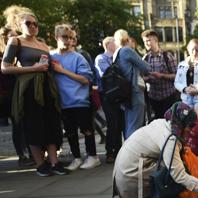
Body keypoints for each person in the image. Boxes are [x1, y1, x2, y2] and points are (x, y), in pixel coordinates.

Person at [113, 102, 198, 198]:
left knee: (179, 162)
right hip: (130, 178)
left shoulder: (164, 123)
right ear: (180, 125)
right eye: (190, 127)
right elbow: (179, 175)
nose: (192, 131)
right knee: (178, 170)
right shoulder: (170, 139)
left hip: (125, 172)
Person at [1, 7, 67, 176]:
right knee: (33, 125)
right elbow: (5, 68)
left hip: (47, 87)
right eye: (28, 23)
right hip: (29, 89)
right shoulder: (16, 41)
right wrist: (33, 68)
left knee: (51, 123)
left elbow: (48, 67)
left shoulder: (43, 45)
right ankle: (40, 165)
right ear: (18, 25)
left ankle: (55, 162)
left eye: (35, 23)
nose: (32, 26)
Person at [51, 24, 100, 171]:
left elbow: (86, 79)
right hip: (62, 102)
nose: (68, 41)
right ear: (56, 37)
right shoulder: (51, 56)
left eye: (71, 38)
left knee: (87, 130)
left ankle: (92, 156)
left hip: (80, 101)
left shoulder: (78, 57)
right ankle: (76, 157)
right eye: (65, 37)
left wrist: (62, 71)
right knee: (70, 132)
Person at [0, 26, 33, 166]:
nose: (15, 38)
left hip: (16, 93)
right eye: (11, 36)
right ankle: (22, 154)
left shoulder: (18, 53)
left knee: (20, 124)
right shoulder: (3, 55)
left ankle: (26, 155)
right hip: (3, 95)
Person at [114, 29, 151, 139]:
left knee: (129, 124)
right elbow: (146, 67)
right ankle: (132, 153)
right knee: (135, 126)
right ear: (127, 38)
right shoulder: (127, 50)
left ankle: (128, 152)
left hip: (124, 93)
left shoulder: (117, 53)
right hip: (134, 91)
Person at [95, 36, 123, 164]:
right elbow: (107, 74)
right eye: (114, 42)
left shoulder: (118, 57)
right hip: (108, 95)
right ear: (108, 45)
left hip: (120, 95)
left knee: (119, 124)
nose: (117, 44)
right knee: (112, 124)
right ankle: (110, 152)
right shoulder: (101, 58)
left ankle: (118, 151)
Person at [141, 30, 179, 120]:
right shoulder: (145, 58)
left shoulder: (167, 56)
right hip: (153, 99)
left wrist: (161, 76)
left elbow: (177, 76)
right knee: (158, 125)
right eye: (144, 41)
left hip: (169, 97)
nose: (146, 43)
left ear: (155, 40)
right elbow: (142, 77)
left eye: (148, 41)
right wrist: (146, 79)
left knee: (170, 123)